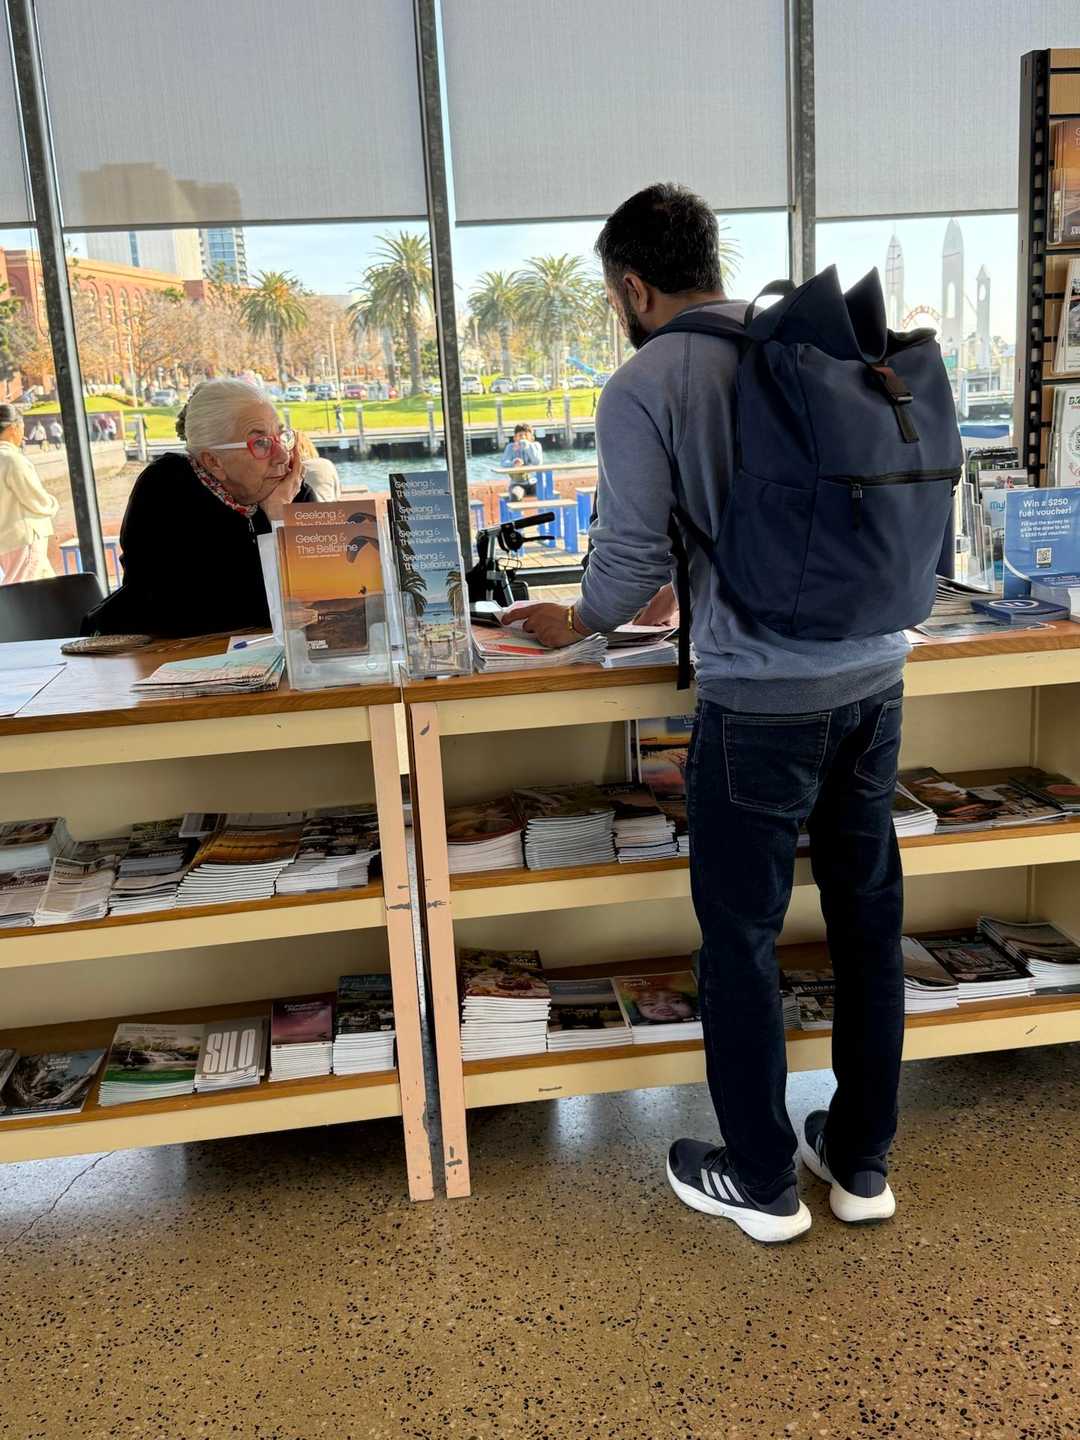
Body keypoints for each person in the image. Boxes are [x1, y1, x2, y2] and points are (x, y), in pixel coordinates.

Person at [512, 183, 908, 1244]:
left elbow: (627, 557)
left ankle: (762, 1179)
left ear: (633, 287)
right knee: (868, 922)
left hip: (762, 702)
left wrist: (577, 621)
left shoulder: (647, 380)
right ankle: (861, 1162)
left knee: (740, 938)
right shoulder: (812, 340)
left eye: (615, 295)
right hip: (876, 676)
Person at [82, 378, 312, 637]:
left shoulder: (293, 489)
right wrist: (273, 523)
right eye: (261, 443)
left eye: (281, 436)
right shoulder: (167, 487)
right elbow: (187, 607)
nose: (282, 455)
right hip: (155, 650)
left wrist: (280, 517)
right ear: (213, 461)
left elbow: (318, 596)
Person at [0, 404, 59, 584]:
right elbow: (35, 499)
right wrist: (52, 504)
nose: (23, 432)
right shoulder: (12, 460)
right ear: (13, 427)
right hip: (25, 537)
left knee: (46, 588)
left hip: (5, 540)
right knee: (23, 589)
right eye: (22, 426)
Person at [295, 431, 341, 501]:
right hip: (328, 506)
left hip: (300, 507)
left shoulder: (292, 471)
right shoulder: (327, 464)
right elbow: (337, 494)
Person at [500, 424, 543, 500]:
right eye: (520, 435)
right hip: (517, 483)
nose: (523, 437)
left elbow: (537, 462)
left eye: (526, 435)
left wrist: (527, 446)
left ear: (532, 437)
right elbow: (503, 463)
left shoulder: (536, 445)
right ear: (515, 438)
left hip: (535, 482)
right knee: (515, 496)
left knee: (544, 492)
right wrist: (514, 463)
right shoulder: (510, 447)